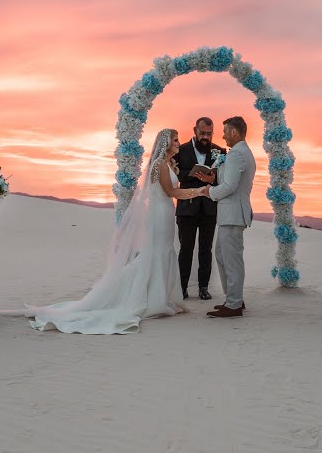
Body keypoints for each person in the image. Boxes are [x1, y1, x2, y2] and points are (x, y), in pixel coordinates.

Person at [27, 128, 209, 334]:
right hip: (159, 214)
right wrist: (200, 191)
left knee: (164, 250)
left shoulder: (168, 164)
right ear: (165, 144)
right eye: (175, 140)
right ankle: (153, 300)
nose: (178, 143)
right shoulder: (159, 164)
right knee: (157, 252)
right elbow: (171, 191)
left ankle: (162, 296)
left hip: (165, 212)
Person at [207, 116, 256, 319]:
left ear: (234, 132)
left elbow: (229, 187)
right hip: (231, 213)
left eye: (225, 131)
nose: (223, 135)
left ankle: (234, 304)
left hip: (233, 213)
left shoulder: (237, 154)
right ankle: (233, 298)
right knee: (221, 254)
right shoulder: (243, 152)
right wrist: (213, 177)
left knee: (232, 259)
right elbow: (230, 180)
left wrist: (208, 191)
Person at [175, 117, 222, 301]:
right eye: (202, 133)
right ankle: (182, 288)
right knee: (185, 249)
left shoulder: (220, 151)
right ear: (195, 130)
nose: (205, 137)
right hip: (187, 208)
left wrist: (212, 180)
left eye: (209, 134)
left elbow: (222, 179)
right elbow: (176, 173)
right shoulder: (182, 150)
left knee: (206, 249)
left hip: (209, 209)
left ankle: (204, 288)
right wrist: (195, 175)